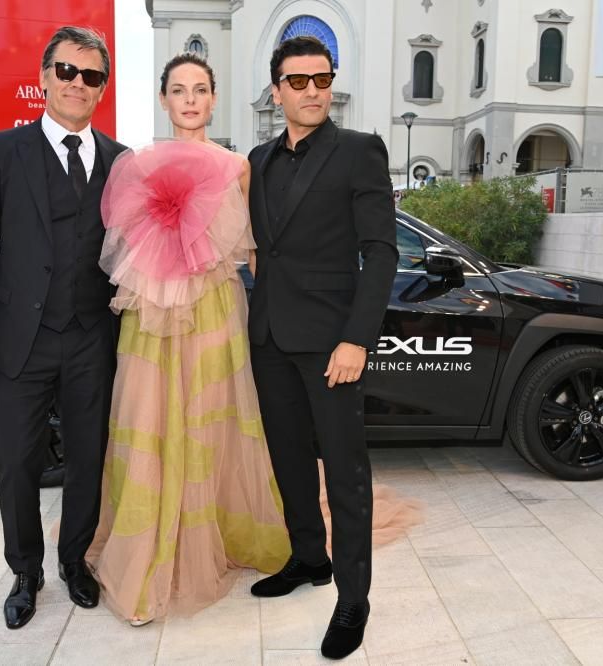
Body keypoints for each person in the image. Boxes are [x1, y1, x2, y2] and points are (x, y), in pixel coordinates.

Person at [85, 52, 290, 626]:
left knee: (208, 421)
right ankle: (148, 549)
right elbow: (122, 245)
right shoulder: (137, 164)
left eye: (200, 89)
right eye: (179, 90)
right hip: (152, 313)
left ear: (214, 98)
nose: (191, 99)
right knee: (151, 419)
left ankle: (209, 535)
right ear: (164, 99)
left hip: (214, 309)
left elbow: (254, 250)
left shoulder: (237, 166)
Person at [0, 25, 126, 630]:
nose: (78, 83)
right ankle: (25, 572)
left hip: (91, 336)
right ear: (45, 78)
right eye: (67, 71)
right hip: (15, 338)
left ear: (101, 88)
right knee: (19, 464)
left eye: (91, 75)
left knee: (87, 458)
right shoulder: (4, 150)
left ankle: (75, 561)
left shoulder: (120, 161)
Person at [246, 36, 398, 660]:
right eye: (298, 81)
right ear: (276, 90)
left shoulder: (359, 151)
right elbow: (262, 248)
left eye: (322, 79)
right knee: (288, 462)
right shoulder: (257, 159)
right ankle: (309, 557)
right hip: (269, 338)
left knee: (345, 473)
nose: (312, 91)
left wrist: (356, 338)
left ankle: (354, 598)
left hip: (333, 344)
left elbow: (381, 252)